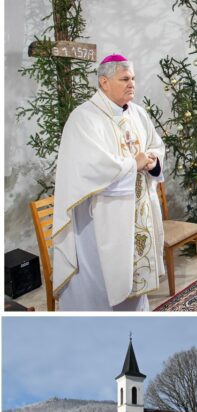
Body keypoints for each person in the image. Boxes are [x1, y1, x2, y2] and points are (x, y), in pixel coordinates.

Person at [51, 54, 165, 311]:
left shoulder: (137, 114)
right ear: (104, 82)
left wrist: (153, 160)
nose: (132, 84)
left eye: (133, 78)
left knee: (136, 280)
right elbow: (91, 167)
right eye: (124, 79)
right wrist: (132, 164)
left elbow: (156, 145)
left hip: (138, 211)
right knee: (103, 283)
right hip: (101, 218)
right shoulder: (83, 118)